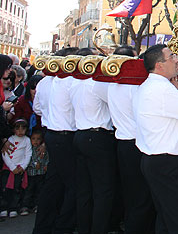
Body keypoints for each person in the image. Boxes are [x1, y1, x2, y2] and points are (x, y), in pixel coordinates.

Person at [134, 44, 178, 234]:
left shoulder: (147, 87)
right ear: (159, 65)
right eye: (171, 57)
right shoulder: (163, 90)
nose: (176, 60)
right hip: (167, 163)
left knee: (166, 218)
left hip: (155, 160)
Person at [107, 45, 156, 234]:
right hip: (136, 144)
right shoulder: (135, 86)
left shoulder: (113, 84)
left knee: (130, 192)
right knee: (141, 196)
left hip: (123, 143)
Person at [70, 47, 117, 234]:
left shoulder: (74, 83)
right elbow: (114, 101)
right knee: (103, 190)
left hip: (80, 135)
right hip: (97, 137)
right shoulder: (96, 84)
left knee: (84, 190)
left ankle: (84, 228)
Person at [32, 46, 79, 234]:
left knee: (54, 183)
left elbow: (37, 108)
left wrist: (51, 116)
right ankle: (62, 226)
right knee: (73, 185)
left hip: (52, 133)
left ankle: (44, 225)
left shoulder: (45, 83)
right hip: (64, 135)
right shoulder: (69, 82)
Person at [0, 119, 31, 219]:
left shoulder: (27, 140)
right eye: (17, 128)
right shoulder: (10, 140)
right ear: (13, 130)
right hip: (9, 169)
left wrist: (23, 166)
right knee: (5, 188)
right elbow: (5, 153)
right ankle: (4, 207)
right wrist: (12, 167)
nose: (20, 131)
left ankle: (13, 208)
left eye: (23, 128)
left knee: (17, 189)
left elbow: (28, 154)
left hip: (19, 168)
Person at [22, 128, 48, 215]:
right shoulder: (30, 149)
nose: (36, 141)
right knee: (29, 190)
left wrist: (45, 165)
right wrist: (34, 164)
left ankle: (37, 205)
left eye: (38, 139)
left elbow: (47, 158)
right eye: (33, 139)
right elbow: (27, 158)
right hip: (31, 173)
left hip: (40, 173)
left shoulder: (44, 149)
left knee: (39, 190)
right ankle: (25, 205)